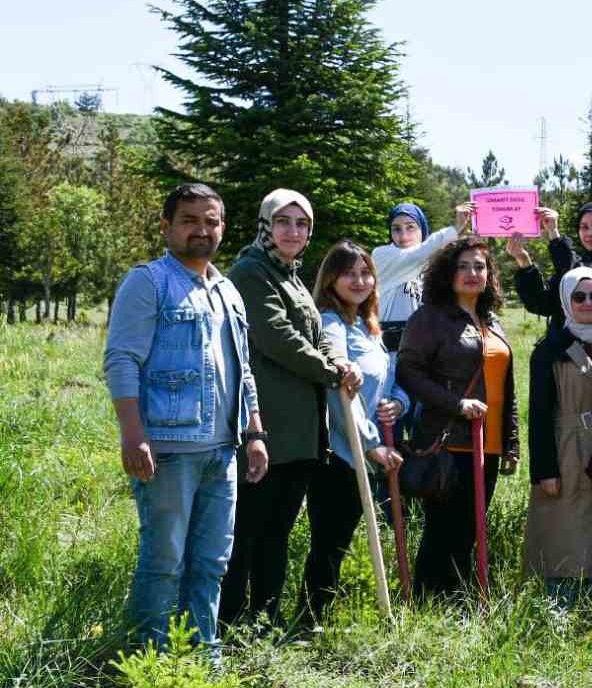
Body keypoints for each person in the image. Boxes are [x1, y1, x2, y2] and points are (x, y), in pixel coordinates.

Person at [104, 184, 269, 650]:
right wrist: (132, 433)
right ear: (166, 226)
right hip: (168, 451)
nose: (202, 230)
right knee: (164, 561)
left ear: (223, 227)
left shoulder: (228, 290)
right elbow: (121, 361)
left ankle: (201, 658)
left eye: (211, 221)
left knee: (212, 562)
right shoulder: (149, 282)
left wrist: (254, 433)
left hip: (224, 452)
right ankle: (150, 661)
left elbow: (244, 369)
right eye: (190, 221)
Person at [222, 190, 358, 632]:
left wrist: (335, 359)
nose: (293, 231)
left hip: (301, 430)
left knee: (278, 530)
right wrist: (330, 372)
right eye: (284, 221)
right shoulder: (251, 272)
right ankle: (232, 620)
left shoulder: (293, 277)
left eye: (302, 224)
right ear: (266, 225)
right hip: (267, 425)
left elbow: (315, 331)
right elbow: (275, 336)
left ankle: (266, 614)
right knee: (249, 528)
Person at [396, 237, 520, 597]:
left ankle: (459, 606)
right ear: (448, 273)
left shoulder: (492, 320)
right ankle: (428, 606)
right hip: (450, 443)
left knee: (470, 531)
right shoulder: (430, 318)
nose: (471, 273)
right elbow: (408, 372)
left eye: (479, 266)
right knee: (444, 533)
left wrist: (510, 442)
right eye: (463, 266)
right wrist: (456, 405)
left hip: (490, 444)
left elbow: (505, 387)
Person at [302, 241, 407, 629]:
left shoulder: (365, 323)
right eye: (350, 273)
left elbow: (388, 378)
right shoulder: (331, 321)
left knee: (339, 540)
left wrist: (400, 402)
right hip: (341, 454)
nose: (360, 280)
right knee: (329, 544)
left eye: (366, 273)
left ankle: (320, 615)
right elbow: (338, 389)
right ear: (331, 279)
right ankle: (312, 622)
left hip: (363, 450)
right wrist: (373, 444)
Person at [524, 266, 592, 604]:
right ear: (566, 301)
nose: (588, 302)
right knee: (565, 524)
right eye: (579, 296)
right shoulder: (549, 349)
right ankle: (560, 600)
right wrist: (543, 471)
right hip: (565, 447)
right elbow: (538, 414)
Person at [508, 201, 592, 322]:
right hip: (562, 345)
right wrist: (524, 261)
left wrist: (554, 233)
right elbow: (541, 304)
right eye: (584, 227)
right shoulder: (574, 262)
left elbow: (579, 278)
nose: (591, 233)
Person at [373, 201, 474, 352]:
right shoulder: (382, 256)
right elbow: (418, 254)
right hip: (390, 355)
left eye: (410, 227)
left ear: (422, 229)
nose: (403, 235)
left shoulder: (435, 260)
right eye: (396, 229)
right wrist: (455, 229)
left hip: (430, 351)